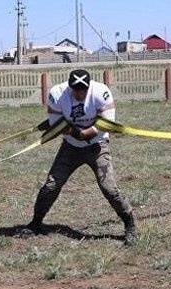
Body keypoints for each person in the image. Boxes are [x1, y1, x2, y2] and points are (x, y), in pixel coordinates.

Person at [26, 69, 137, 244]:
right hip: (70, 147)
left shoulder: (101, 93)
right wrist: (71, 131)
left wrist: (85, 133)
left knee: (109, 188)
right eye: (75, 89)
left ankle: (130, 225)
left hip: (98, 146)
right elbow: (56, 124)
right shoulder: (57, 94)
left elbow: (106, 124)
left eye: (82, 89)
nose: (79, 93)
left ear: (88, 86)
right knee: (51, 186)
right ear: (69, 87)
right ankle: (35, 223)